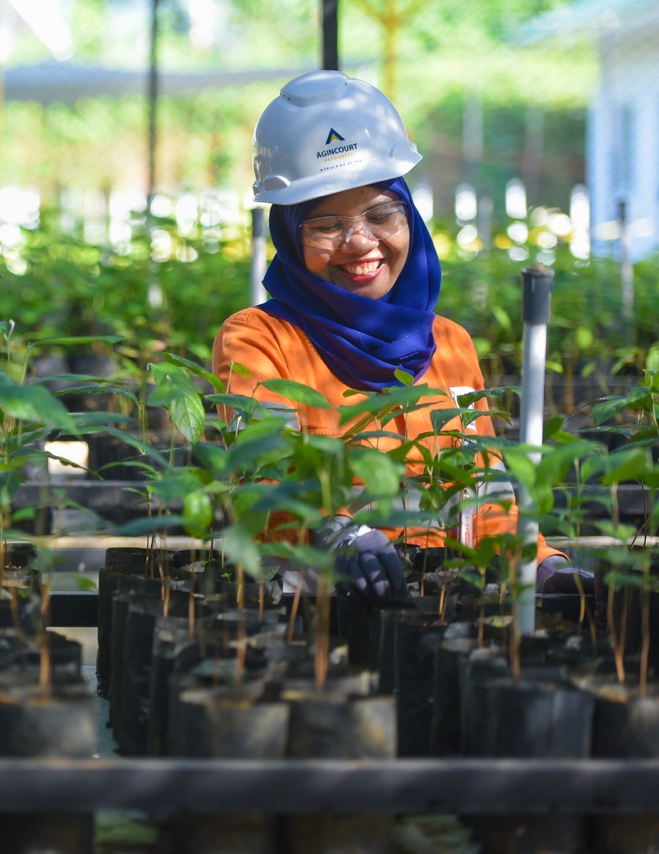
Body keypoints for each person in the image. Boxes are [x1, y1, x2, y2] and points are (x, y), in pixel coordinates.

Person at [212, 70, 587, 600]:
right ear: (290, 237)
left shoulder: (449, 343)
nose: (360, 243)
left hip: (438, 613)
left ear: (409, 215)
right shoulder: (258, 340)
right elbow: (266, 478)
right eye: (324, 225)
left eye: (381, 213)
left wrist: (540, 564)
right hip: (306, 617)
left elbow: (482, 494)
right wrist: (335, 534)